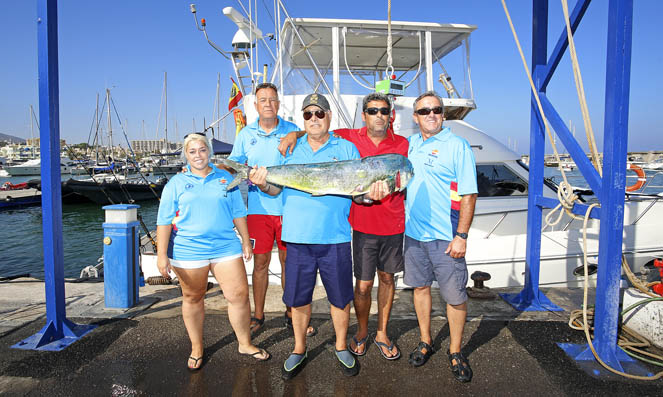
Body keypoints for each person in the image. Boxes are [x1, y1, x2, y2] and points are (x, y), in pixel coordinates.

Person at [250, 93, 389, 379]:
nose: (314, 119)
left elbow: (359, 193)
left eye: (319, 114)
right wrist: (262, 184)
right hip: (298, 238)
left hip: (335, 238)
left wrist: (372, 196)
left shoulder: (347, 149)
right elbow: (275, 189)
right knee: (299, 299)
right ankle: (299, 348)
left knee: (340, 298)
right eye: (308, 115)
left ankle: (340, 346)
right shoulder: (288, 149)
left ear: (328, 116)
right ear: (303, 119)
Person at [279, 92, 408, 360]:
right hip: (356, 227)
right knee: (359, 288)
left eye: (383, 110)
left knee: (383, 280)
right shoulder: (349, 138)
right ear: (364, 115)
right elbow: (315, 131)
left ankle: (377, 335)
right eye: (372, 111)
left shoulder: (400, 144)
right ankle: (356, 335)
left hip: (385, 226)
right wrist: (294, 135)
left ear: (390, 114)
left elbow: (364, 185)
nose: (378, 115)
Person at [156, 133, 270, 371]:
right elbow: (164, 221)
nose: (198, 155)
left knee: (238, 296)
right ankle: (197, 347)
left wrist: (246, 242)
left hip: (225, 247)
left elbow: (238, 211)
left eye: (202, 150)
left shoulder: (225, 177)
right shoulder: (175, 184)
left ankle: (244, 343)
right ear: (186, 155)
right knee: (194, 298)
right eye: (192, 151)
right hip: (188, 251)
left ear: (209, 152)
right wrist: (161, 254)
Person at [228, 82, 315, 337]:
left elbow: (312, 134)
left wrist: (295, 135)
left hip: (289, 207)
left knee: (290, 262)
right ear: (255, 105)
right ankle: (258, 314)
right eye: (263, 100)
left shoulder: (291, 129)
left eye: (272, 99)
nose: (268, 104)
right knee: (261, 262)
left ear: (278, 104)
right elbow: (234, 165)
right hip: (258, 208)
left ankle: (291, 311)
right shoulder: (245, 134)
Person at [404, 91, 478, 382]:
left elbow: (469, 194)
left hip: (447, 238)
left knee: (455, 297)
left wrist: (461, 236)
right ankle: (426, 341)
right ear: (416, 117)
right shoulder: (409, 145)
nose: (431, 114)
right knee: (420, 289)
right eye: (424, 111)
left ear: (443, 114)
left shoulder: (457, 146)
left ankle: (456, 350)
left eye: (436, 109)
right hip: (413, 235)